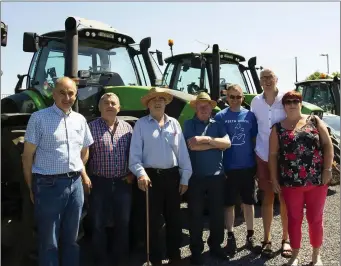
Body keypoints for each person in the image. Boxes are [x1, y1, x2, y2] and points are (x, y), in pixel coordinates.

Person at [22, 77, 93, 266]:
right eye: (62, 92)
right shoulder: (39, 118)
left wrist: (79, 170)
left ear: (76, 96)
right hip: (48, 185)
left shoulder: (80, 120)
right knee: (49, 242)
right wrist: (31, 186)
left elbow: (85, 150)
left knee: (73, 239)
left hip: (75, 184)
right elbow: (27, 156)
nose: (67, 97)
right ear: (53, 94)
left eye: (71, 93)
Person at [129, 87, 192, 266]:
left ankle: (175, 256)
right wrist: (141, 174)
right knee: (153, 222)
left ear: (165, 103)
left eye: (161, 99)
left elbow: (183, 154)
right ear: (148, 104)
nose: (158, 102)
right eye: (154, 99)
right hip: (150, 178)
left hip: (172, 177)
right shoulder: (141, 124)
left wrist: (185, 177)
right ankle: (155, 259)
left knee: (175, 219)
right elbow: (134, 157)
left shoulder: (174, 124)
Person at [269, 91, 333, 266]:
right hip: (290, 183)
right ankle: (295, 254)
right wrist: (274, 179)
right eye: (288, 101)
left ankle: (316, 256)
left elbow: (327, 145)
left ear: (300, 103)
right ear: (284, 105)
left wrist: (327, 168)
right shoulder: (277, 128)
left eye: (296, 100)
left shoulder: (314, 121)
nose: (292, 104)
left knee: (315, 218)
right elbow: (273, 155)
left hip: (317, 181)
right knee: (294, 218)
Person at [183, 92, 231, 265]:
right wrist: (216, 145)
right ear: (195, 107)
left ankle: (216, 246)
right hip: (195, 177)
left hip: (216, 177)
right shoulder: (188, 124)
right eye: (200, 105)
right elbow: (192, 146)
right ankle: (196, 250)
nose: (204, 108)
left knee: (217, 215)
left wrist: (206, 140)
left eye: (207, 105)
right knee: (195, 215)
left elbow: (227, 143)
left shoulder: (218, 124)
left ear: (212, 108)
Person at [87, 93, 134, 266]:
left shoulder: (128, 128)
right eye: (105, 103)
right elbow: (84, 156)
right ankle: (101, 260)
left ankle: (120, 259)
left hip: (123, 182)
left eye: (113, 103)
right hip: (100, 182)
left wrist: (132, 174)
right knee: (98, 224)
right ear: (99, 108)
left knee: (123, 223)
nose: (110, 106)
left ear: (119, 108)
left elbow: (134, 154)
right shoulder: (90, 128)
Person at [250, 69, 292, 258]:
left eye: (269, 77)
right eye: (263, 78)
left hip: (283, 156)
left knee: (284, 198)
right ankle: (266, 239)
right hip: (263, 155)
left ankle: (286, 239)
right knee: (267, 198)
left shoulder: (285, 99)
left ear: (277, 79)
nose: (266, 80)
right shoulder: (255, 102)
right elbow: (253, 127)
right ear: (260, 82)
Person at [214, 84, 258, 256]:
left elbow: (253, 139)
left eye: (238, 97)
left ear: (243, 98)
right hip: (229, 168)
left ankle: (250, 236)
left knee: (249, 202)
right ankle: (230, 237)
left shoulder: (250, 116)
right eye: (231, 97)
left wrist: (255, 162)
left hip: (247, 166)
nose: (234, 100)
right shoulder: (220, 116)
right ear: (226, 97)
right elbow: (218, 142)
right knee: (229, 204)